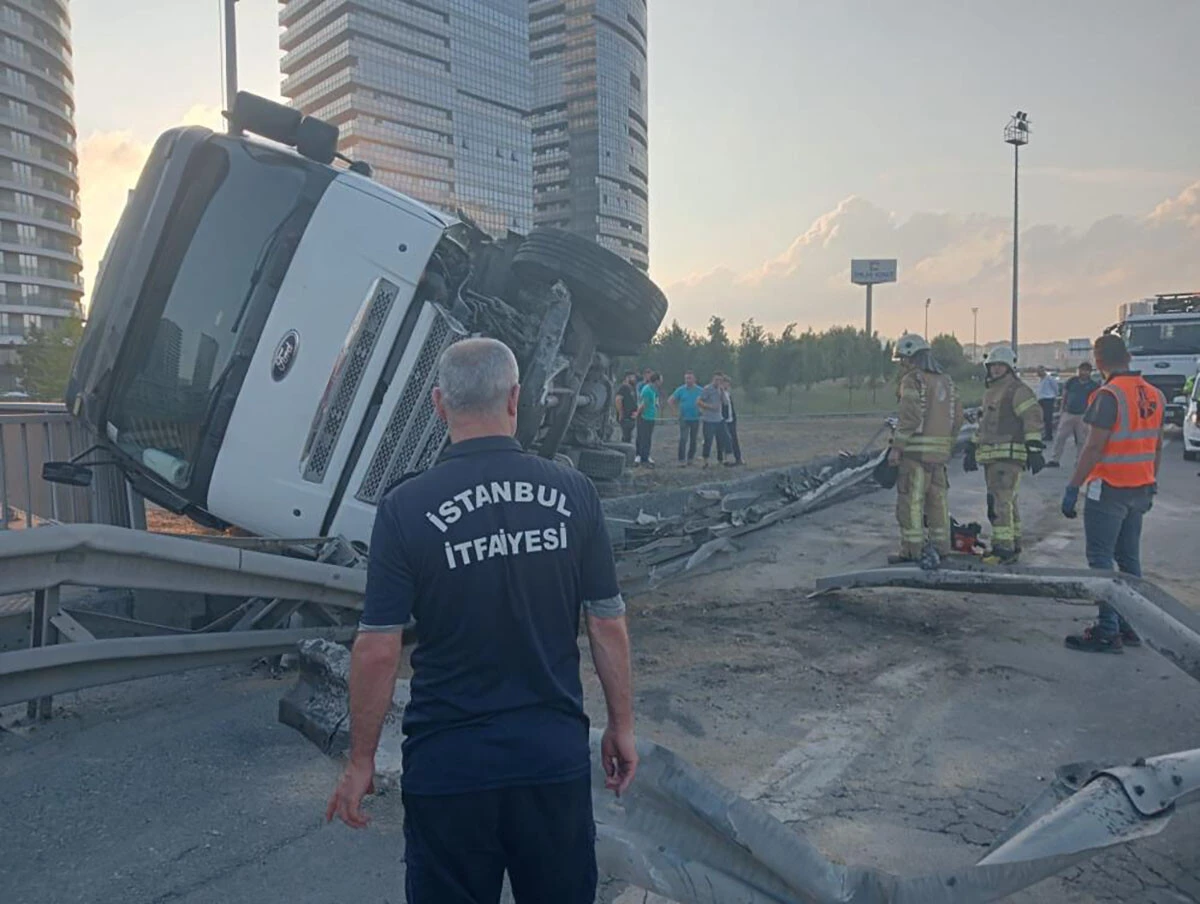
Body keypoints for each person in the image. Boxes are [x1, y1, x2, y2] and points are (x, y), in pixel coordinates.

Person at [325, 338, 637, 903]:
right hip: (550, 763)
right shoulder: (574, 493)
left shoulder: (406, 508)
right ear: (517, 398)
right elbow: (606, 622)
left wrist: (362, 759)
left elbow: (376, 648)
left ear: (440, 405)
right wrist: (622, 726)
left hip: (450, 770)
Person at [1061, 334, 1164, 653]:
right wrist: (1151, 480)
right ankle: (1131, 625)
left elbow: (1093, 447)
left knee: (1101, 560)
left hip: (1108, 489)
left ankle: (1108, 630)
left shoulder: (1108, 395)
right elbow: (1157, 445)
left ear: (1099, 360)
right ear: (1128, 357)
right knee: (1129, 559)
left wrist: (1073, 486)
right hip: (1140, 488)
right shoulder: (1154, 394)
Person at [964, 345, 1044, 564]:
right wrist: (972, 447)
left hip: (1008, 458)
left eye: (1000, 366)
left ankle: (1003, 550)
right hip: (993, 458)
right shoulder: (992, 392)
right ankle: (1013, 544)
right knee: (1008, 503)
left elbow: (1032, 416)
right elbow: (985, 426)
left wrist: (1034, 447)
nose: (996, 370)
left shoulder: (1016, 390)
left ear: (1009, 368)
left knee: (999, 504)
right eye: (993, 366)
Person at [888, 333, 962, 563]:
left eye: (903, 360)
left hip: (915, 455)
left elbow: (910, 417)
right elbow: (957, 418)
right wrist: (946, 445)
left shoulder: (913, 380)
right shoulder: (946, 381)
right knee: (938, 503)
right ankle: (942, 547)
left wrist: (897, 447)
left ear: (912, 358)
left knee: (911, 503)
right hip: (939, 456)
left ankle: (912, 550)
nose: (902, 365)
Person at [1046, 361, 1099, 468]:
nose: (1083, 372)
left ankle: (1080, 461)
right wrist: (1062, 410)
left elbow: (1095, 401)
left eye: (1085, 371)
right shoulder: (1072, 381)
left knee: (1081, 440)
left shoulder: (1093, 385)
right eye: (1081, 370)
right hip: (1068, 413)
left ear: (1089, 372)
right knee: (1060, 437)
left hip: (1083, 415)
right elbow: (1065, 395)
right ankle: (1054, 459)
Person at [668, 370, 703, 466]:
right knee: (683, 438)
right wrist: (675, 412)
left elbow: (706, 401)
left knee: (693, 439)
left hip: (695, 418)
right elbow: (670, 400)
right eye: (686, 378)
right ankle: (681, 459)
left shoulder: (700, 390)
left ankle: (690, 458)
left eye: (690, 378)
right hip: (684, 418)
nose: (688, 380)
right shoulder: (681, 390)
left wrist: (703, 410)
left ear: (694, 379)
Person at [697, 371, 729, 468]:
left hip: (719, 419)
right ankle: (705, 460)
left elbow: (725, 403)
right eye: (716, 380)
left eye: (720, 380)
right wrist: (709, 406)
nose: (717, 382)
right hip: (708, 420)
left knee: (721, 440)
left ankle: (721, 459)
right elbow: (699, 401)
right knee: (708, 440)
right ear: (712, 379)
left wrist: (723, 392)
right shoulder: (707, 389)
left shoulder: (721, 390)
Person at [635, 371, 661, 467]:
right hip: (644, 417)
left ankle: (645, 455)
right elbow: (643, 404)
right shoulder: (647, 389)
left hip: (651, 417)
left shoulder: (654, 390)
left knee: (648, 438)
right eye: (660, 380)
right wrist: (638, 414)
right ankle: (641, 457)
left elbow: (655, 400)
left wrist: (656, 405)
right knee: (642, 437)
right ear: (657, 381)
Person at [718, 376, 743, 467]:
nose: (727, 385)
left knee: (734, 439)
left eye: (728, 383)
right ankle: (724, 459)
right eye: (725, 383)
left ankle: (738, 458)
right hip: (723, 420)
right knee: (724, 440)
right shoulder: (719, 394)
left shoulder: (728, 394)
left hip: (731, 420)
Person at [1035, 366, 1060, 442]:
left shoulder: (1049, 379)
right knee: (1043, 418)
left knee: (1048, 418)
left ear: (1043, 371)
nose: (1038, 373)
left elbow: (1056, 388)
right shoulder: (1040, 380)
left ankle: (1049, 435)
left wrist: (1055, 397)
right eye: (1037, 372)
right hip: (1041, 400)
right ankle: (1045, 433)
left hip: (1048, 400)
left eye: (1040, 371)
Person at [615, 370, 638, 444]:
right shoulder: (623, 387)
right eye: (632, 377)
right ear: (627, 378)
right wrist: (621, 413)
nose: (634, 379)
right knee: (626, 437)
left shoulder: (632, 388)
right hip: (626, 417)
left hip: (632, 417)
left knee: (629, 437)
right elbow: (618, 399)